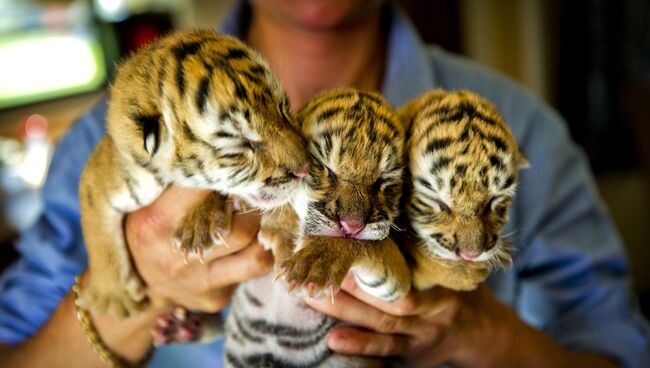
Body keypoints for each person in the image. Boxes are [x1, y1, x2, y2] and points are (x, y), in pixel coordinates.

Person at [1, 0, 648, 366]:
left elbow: (616, 348)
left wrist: (483, 332)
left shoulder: (513, 129)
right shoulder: (118, 132)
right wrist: (131, 297)